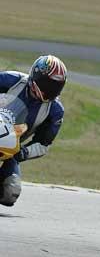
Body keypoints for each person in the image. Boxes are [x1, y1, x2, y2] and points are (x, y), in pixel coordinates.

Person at [0, 55, 67, 207]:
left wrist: (23, 152)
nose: (51, 90)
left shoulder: (55, 111)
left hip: (10, 149)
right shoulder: (11, 80)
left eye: (56, 86)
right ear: (35, 76)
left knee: (11, 191)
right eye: (48, 84)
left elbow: (44, 144)